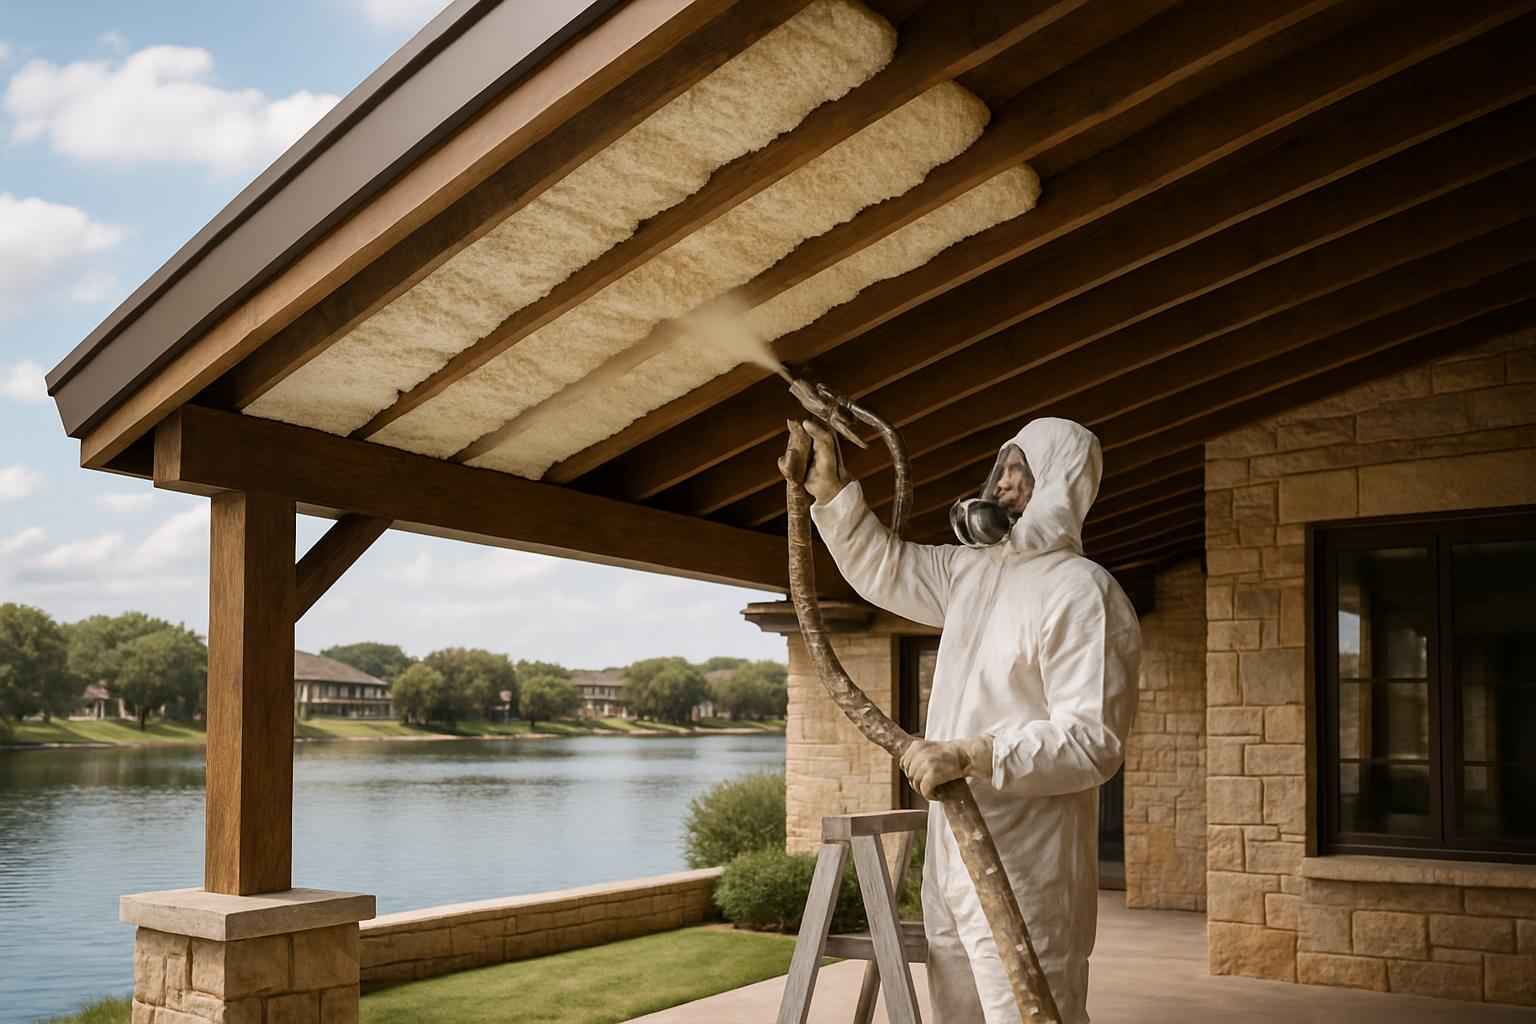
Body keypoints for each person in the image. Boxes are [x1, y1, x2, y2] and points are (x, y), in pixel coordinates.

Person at [797, 415, 1140, 1024]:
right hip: (953, 850)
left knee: (1029, 1012)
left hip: (1028, 863)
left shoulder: (1083, 592)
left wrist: (973, 754)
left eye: (1022, 471)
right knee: (956, 1011)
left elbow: (1093, 742)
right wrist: (831, 490)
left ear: (1060, 482)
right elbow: (886, 566)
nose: (1004, 484)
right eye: (1003, 467)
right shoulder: (970, 573)